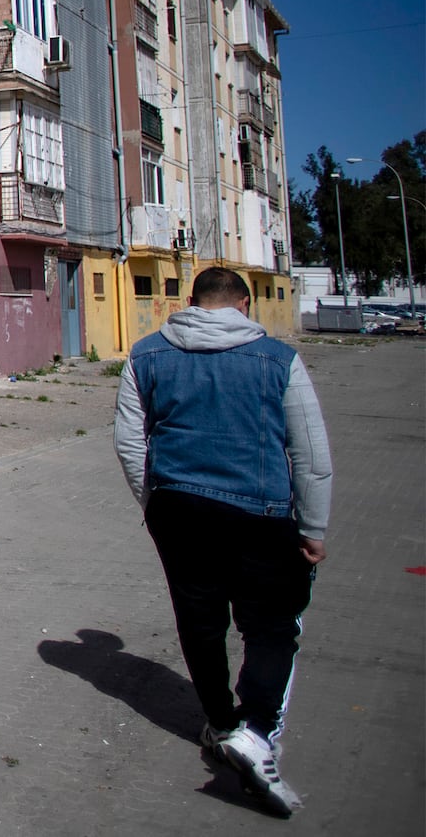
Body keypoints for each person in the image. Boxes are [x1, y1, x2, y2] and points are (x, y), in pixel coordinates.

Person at [113, 265, 333, 816]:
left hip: (178, 509)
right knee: (272, 626)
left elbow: (128, 441)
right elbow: (309, 452)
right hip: (260, 513)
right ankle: (255, 731)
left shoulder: (145, 354)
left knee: (200, 621)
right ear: (244, 303)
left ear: (192, 302)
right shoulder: (277, 359)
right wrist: (313, 528)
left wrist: (156, 503)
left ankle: (220, 722)